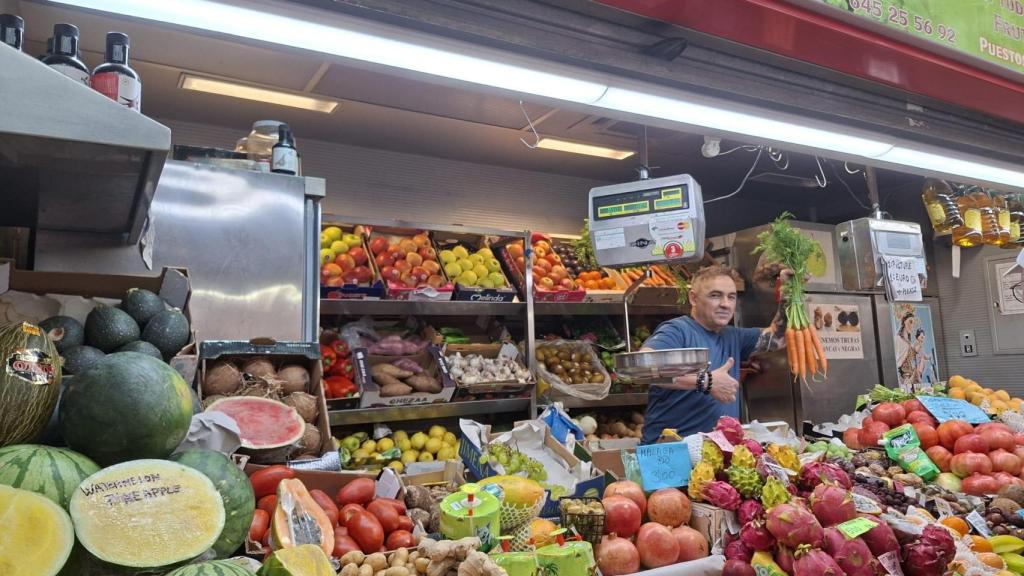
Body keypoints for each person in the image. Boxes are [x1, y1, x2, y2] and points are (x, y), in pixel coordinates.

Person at [639, 265, 789, 443]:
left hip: (715, 455)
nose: (725, 304)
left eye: (731, 297)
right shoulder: (677, 331)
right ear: (693, 298)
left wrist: (788, 293)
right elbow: (643, 366)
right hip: (671, 455)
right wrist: (706, 381)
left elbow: (779, 338)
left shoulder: (733, 336)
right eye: (715, 295)